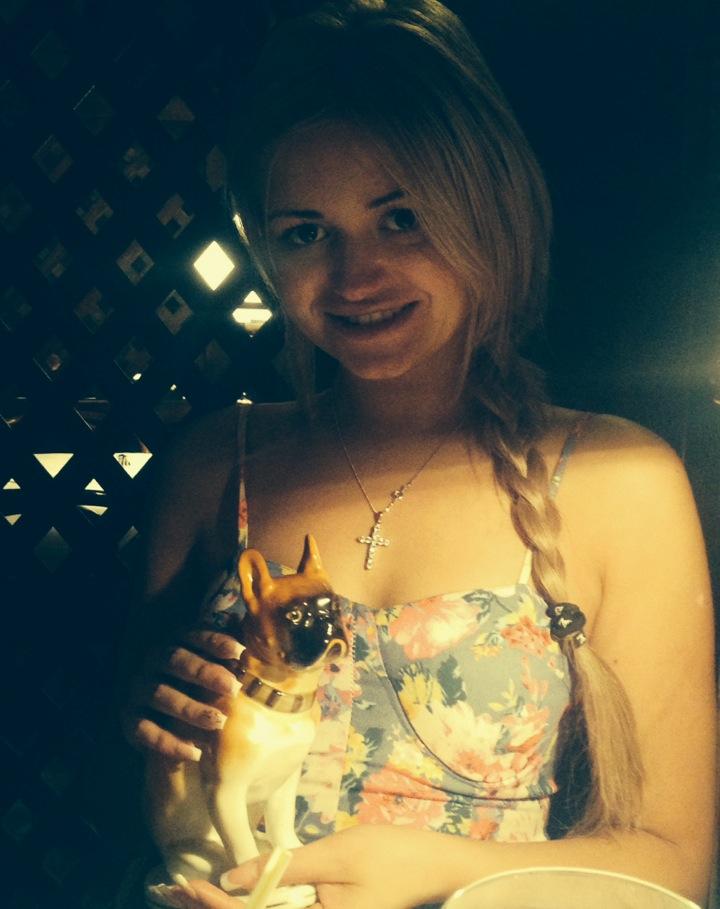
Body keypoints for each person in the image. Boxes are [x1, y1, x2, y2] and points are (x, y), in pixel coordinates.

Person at [119, 2, 717, 907]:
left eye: (401, 218)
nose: (355, 277)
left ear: (488, 212)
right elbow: (137, 767)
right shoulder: (215, 463)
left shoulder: (619, 480)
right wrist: (155, 723)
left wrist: (427, 872)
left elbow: (672, 860)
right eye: (305, 232)